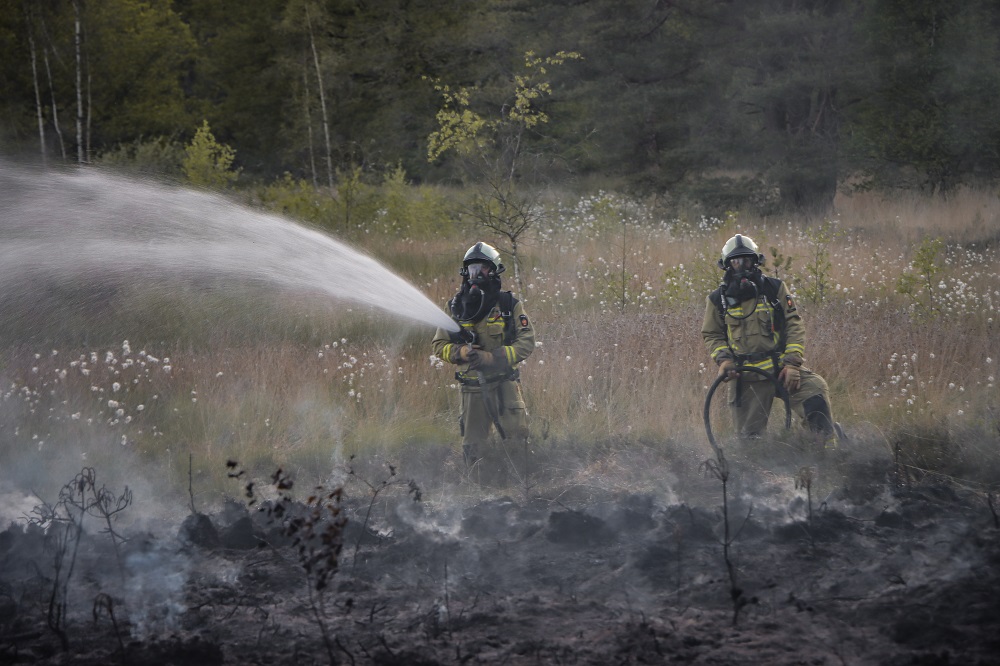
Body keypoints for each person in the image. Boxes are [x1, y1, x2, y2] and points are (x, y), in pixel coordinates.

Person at [702, 233, 843, 447]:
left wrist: (792, 364)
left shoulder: (774, 289)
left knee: (815, 390)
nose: (742, 266)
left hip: (781, 370)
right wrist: (724, 361)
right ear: (727, 265)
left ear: (756, 262)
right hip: (746, 377)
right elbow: (712, 334)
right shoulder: (717, 300)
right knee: (750, 446)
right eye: (736, 261)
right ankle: (765, 471)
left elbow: (794, 323)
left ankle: (823, 456)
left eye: (747, 260)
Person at [432, 242, 536, 486]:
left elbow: (527, 342)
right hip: (472, 390)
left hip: (505, 386)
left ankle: (522, 489)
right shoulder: (455, 307)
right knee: (474, 447)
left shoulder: (509, 306)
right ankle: (479, 492)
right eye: (472, 269)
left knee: (516, 439)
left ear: (495, 271)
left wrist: (494, 358)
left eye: (482, 268)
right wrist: (462, 352)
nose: (476, 274)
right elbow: (439, 345)